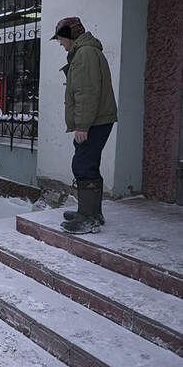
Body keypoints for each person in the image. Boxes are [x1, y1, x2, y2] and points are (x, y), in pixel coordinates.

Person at [52, 17, 118, 234]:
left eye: (62, 39)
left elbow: (87, 93)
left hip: (93, 121)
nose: (61, 44)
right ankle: (92, 213)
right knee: (89, 164)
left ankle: (88, 218)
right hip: (98, 120)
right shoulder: (85, 52)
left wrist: (82, 126)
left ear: (70, 36)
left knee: (82, 165)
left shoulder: (85, 54)